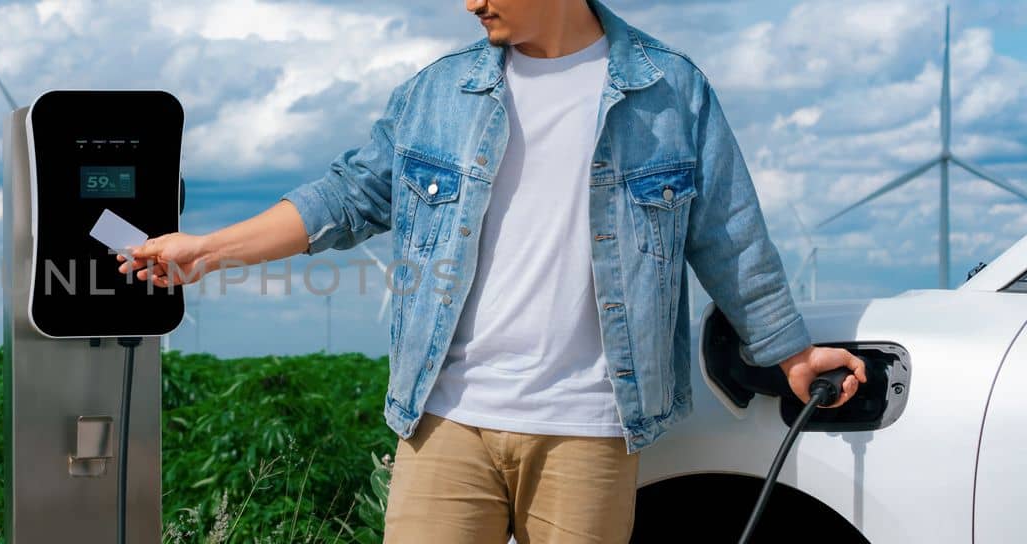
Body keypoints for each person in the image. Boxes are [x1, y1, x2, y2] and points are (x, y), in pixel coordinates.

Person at [118, 0, 867, 542]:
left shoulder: (671, 92)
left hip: (587, 427)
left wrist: (792, 353)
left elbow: (729, 233)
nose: (470, 1)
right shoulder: (439, 92)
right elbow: (347, 195)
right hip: (444, 421)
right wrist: (208, 249)